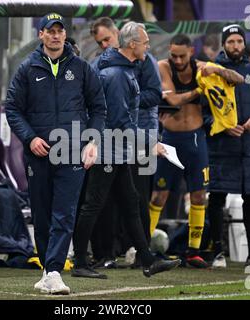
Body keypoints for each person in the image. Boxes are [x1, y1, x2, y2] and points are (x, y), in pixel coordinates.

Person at [4, 12, 107, 294]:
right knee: (42, 215)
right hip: (38, 154)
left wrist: (92, 142)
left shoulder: (83, 69)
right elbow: (12, 109)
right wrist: (30, 138)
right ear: (41, 35)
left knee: (64, 213)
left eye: (60, 31)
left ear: (64, 35)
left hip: (71, 153)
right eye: (50, 31)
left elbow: (99, 108)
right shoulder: (27, 68)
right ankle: (48, 269)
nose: (56, 35)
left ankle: (53, 271)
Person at [71, 22, 181, 280]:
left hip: (117, 148)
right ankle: (79, 261)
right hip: (109, 149)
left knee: (131, 203)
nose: (148, 46)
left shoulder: (121, 69)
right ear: (132, 45)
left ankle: (147, 260)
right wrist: (150, 142)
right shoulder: (119, 75)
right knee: (93, 205)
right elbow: (121, 121)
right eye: (144, 42)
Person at [149, 34, 244, 268]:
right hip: (170, 139)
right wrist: (199, 89)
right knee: (159, 194)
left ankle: (193, 251)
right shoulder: (163, 66)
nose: (178, 60)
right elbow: (173, 101)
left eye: (182, 55)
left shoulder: (203, 67)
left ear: (191, 51)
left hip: (195, 138)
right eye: (174, 55)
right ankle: (144, 248)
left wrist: (219, 72)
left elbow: (239, 79)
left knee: (199, 195)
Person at [88, 17, 162, 268]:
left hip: (135, 137)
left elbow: (155, 95)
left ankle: (141, 253)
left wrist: (132, 98)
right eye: (100, 42)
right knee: (105, 201)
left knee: (135, 198)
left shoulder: (142, 61)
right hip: (117, 140)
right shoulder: (106, 67)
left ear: (118, 34)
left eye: (107, 39)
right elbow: (102, 104)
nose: (105, 45)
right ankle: (101, 254)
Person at [205, 24, 250, 269]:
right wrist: (222, 126)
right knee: (216, 197)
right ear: (223, 44)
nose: (235, 46)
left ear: (244, 44)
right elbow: (202, 113)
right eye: (230, 41)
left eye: (239, 41)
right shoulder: (212, 71)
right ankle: (217, 252)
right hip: (220, 146)